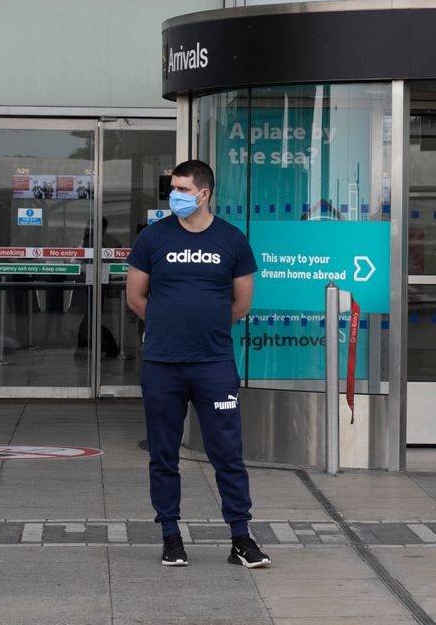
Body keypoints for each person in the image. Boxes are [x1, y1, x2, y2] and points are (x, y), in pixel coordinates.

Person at [125, 159, 270, 568]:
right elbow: (136, 296)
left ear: (204, 194)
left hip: (214, 363)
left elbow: (242, 303)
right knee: (164, 454)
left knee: (227, 453)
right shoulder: (153, 237)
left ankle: (241, 538)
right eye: (173, 188)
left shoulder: (232, 239)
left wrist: (202, 326)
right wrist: (171, 324)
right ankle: (171, 536)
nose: (176, 196)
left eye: (183, 189)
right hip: (162, 363)